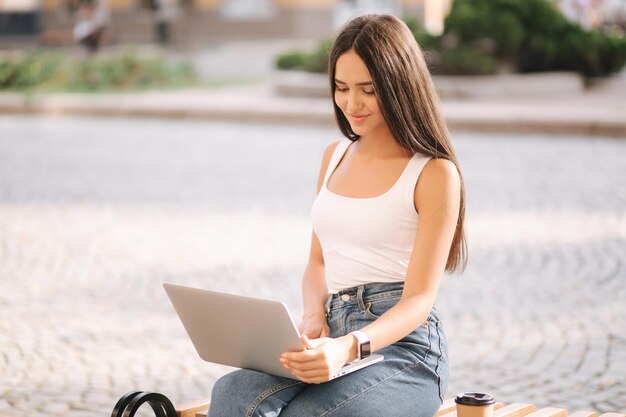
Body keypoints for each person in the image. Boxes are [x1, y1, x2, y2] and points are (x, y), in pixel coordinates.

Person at [208, 13, 466, 417]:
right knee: (232, 395)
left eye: (368, 89)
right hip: (331, 335)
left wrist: (349, 346)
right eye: (341, 88)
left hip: (404, 351)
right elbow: (317, 261)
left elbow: (418, 300)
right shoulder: (334, 156)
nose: (351, 103)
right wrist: (314, 318)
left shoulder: (434, 173)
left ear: (399, 86)